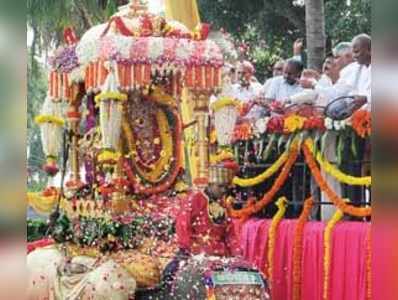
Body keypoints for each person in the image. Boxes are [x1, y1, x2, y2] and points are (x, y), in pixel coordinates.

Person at [175, 160, 239, 257]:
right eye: (220, 186)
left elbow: (230, 234)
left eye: (226, 187)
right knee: (170, 271)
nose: (223, 191)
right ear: (210, 184)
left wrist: (237, 255)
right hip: (195, 256)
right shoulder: (195, 199)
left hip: (221, 257)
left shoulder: (223, 204)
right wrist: (196, 252)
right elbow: (183, 227)